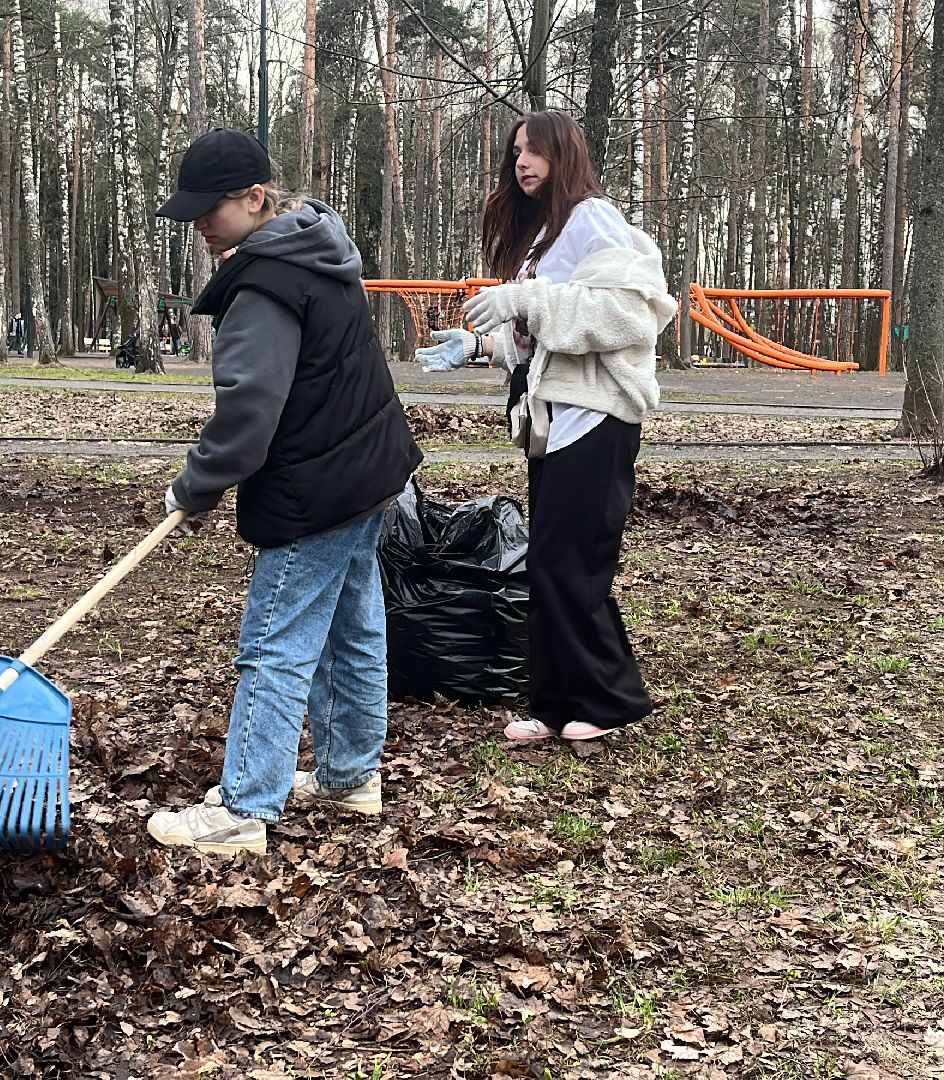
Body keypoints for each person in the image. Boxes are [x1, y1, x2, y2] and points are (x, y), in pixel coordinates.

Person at [143, 128, 422, 855]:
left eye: (210, 209)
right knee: (353, 627)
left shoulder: (265, 285)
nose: (199, 225)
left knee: (275, 644)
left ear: (255, 197)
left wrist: (195, 487)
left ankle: (244, 808)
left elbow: (248, 412)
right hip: (369, 471)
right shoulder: (319, 251)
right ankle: (350, 775)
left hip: (317, 489)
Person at [416, 111, 676, 744]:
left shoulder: (593, 218)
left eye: (534, 152)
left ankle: (609, 699)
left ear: (564, 155)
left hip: (598, 417)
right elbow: (547, 339)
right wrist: (480, 346)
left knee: (574, 564)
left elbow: (628, 315)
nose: (522, 164)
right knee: (549, 564)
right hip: (555, 421)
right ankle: (556, 704)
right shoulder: (546, 236)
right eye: (515, 154)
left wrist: (524, 298)